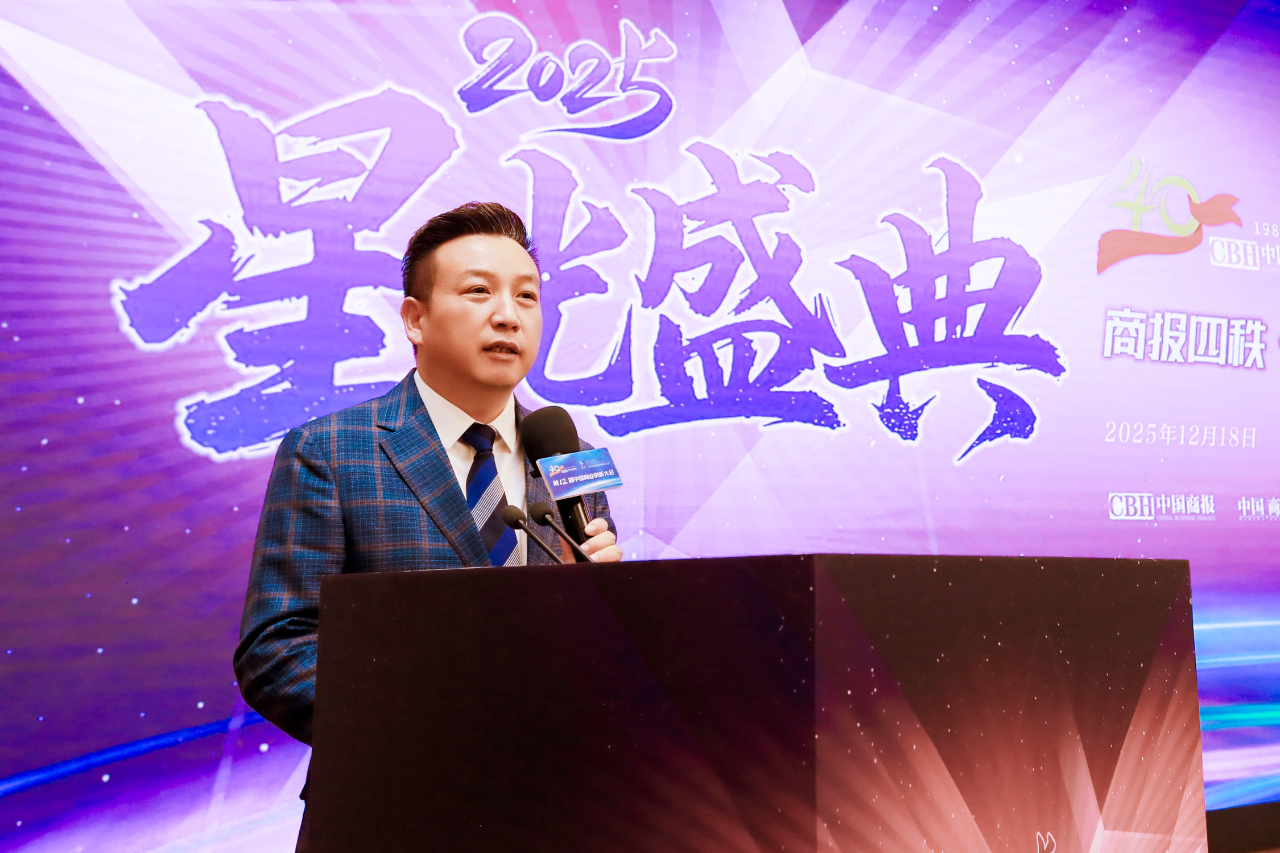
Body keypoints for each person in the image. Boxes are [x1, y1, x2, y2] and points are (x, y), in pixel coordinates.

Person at [233, 202, 621, 850]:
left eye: (527, 296)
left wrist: (614, 610)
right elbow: (277, 649)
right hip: (391, 813)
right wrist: (438, 725)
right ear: (415, 318)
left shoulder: (568, 454)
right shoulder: (331, 450)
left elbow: (600, 655)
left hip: (559, 809)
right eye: (479, 291)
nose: (509, 315)